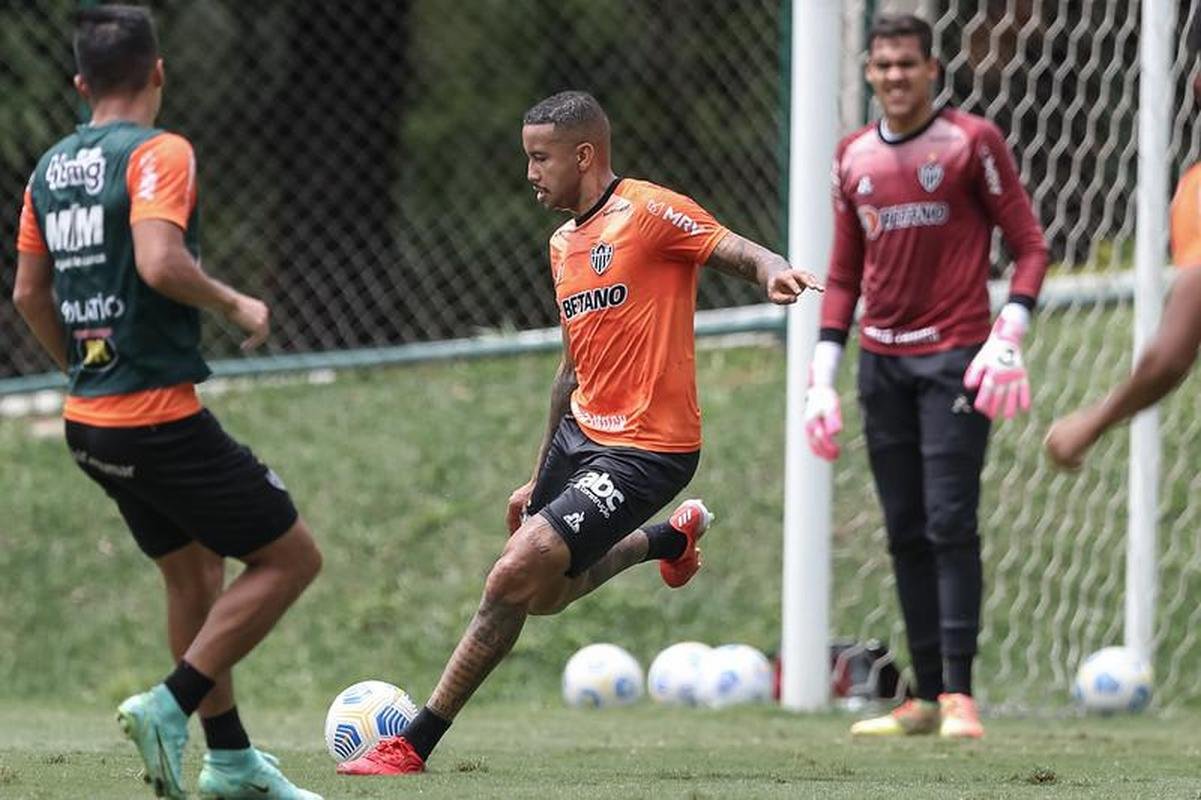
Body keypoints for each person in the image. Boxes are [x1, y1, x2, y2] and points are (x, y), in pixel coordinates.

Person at [336, 90, 823, 776]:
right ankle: (666, 540)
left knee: (510, 575)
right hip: (580, 434)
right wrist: (541, 473)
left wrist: (773, 269)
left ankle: (411, 745)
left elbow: (731, 247)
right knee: (544, 593)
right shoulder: (562, 244)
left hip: (649, 449)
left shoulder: (648, 211)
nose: (530, 173)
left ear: (584, 155)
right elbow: (570, 369)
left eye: (541, 158)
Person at [12, 7, 322, 799]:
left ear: (80, 85)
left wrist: (83, 371)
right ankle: (169, 704)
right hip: (155, 420)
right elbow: (158, 261)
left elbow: (29, 295)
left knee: (193, 577)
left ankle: (230, 761)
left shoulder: (48, 170)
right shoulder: (159, 152)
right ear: (157, 72)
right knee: (290, 559)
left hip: (91, 425)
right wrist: (234, 302)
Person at [801, 14, 1048, 739]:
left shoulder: (971, 142)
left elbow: (1030, 247)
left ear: (931, 70)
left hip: (956, 359)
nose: (894, 76)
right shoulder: (851, 156)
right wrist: (822, 375)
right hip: (880, 364)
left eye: (906, 64)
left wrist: (1009, 334)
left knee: (949, 521)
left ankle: (961, 694)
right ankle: (926, 697)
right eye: (882, 65)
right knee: (904, 529)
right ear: (869, 73)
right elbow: (844, 272)